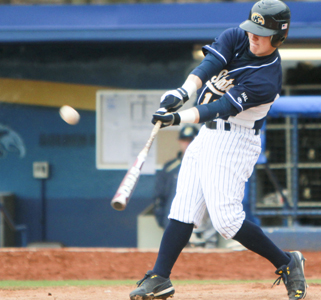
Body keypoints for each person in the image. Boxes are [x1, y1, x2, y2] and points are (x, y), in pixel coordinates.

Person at [129, 1, 307, 300]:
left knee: (227, 221)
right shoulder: (237, 36)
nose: (254, 36)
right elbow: (207, 67)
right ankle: (160, 277)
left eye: (263, 33)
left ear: (280, 37)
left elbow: (221, 108)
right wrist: (182, 92)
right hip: (206, 137)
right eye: (254, 28)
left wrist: (177, 118)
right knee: (183, 208)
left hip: (236, 142)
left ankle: (288, 262)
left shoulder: (267, 78)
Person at [153, 125, 198, 229]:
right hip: (172, 223)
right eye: (184, 140)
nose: (187, 143)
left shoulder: (206, 166)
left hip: (199, 227)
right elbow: (159, 197)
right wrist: (163, 221)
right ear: (179, 141)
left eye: (191, 140)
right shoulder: (169, 168)